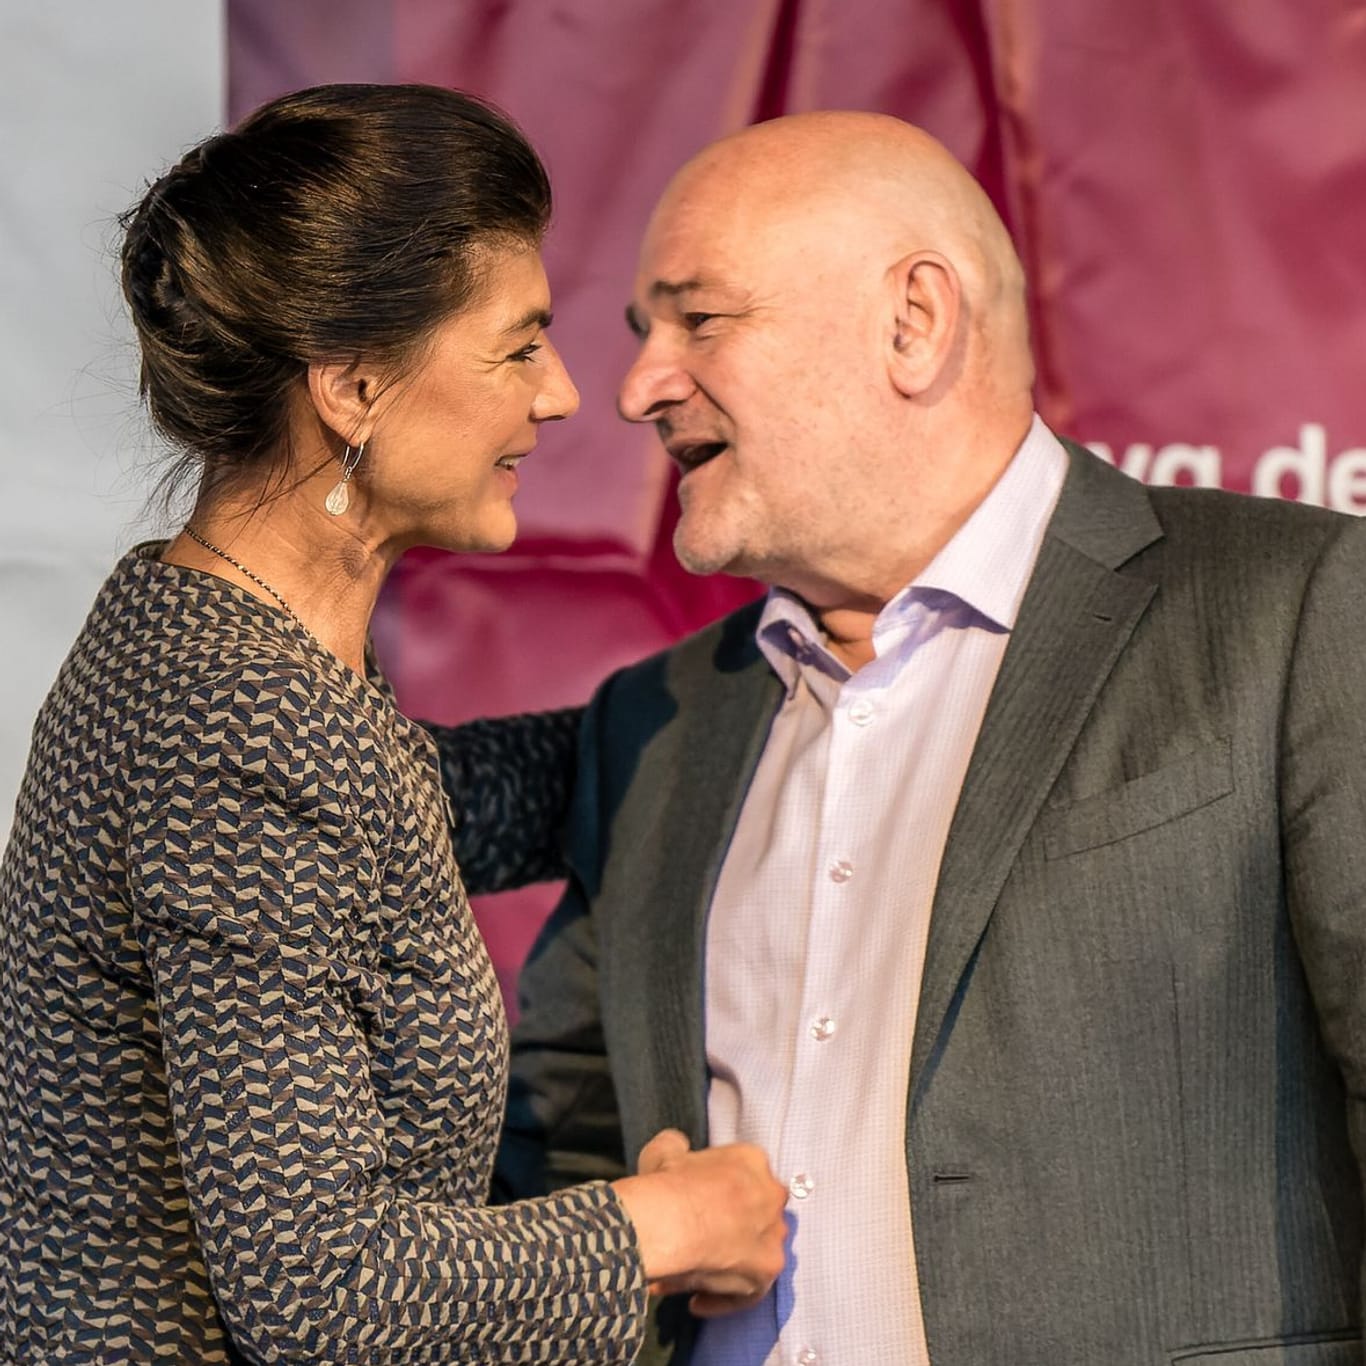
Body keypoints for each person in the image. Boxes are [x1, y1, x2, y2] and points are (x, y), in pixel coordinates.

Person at [493, 110, 1366, 1365]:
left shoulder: (1291, 610)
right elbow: (572, 1141)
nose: (638, 388)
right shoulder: (661, 717)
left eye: (699, 319)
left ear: (914, 321)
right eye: (642, 335)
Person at [0, 83, 790, 1365]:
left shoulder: (221, 642)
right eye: (518, 346)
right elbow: (324, 1291)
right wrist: (662, 1225)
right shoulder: (232, 718)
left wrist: (794, 657)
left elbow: (415, 814)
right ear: (357, 385)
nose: (563, 395)